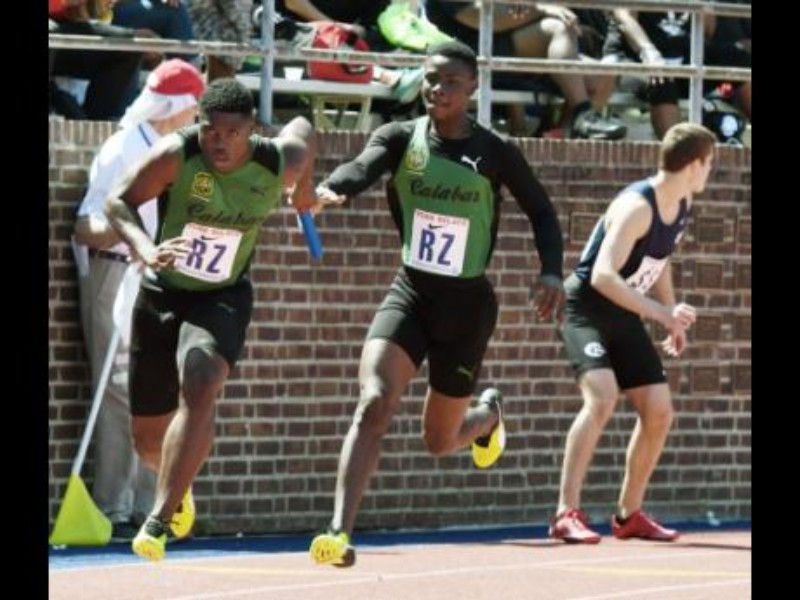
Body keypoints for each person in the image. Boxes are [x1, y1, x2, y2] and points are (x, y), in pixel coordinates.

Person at [308, 40, 566, 567]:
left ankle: (487, 415)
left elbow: (541, 211)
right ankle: (337, 532)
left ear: (473, 87)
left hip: (467, 308)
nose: (437, 89)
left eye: (450, 81)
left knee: (439, 440)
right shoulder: (401, 138)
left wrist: (551, 273)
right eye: (430, 78)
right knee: (375, 401)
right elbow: (365, 164)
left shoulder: (494, 151)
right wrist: (335, 188)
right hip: (411, 294)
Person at [104, 77, 318, 561]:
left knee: (202, 380)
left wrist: (302, 192)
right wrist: (147, 248)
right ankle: (178, 484)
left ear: (252, 130)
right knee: (147, 441)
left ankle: (159, 518)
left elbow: (305, 128)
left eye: (231, 132)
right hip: (163, 293)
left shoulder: (276, 160)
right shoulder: (176, 154)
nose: (219, 141)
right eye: (210, 129)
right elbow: (119, 200)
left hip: (223, 294)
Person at [550, 122, 715, 544]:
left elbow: (660, 260)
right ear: (694, 165)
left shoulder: (680, 205)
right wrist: (660, 313)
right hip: (585, 306)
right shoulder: (636, 206)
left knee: (659, 409)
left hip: (623, 313)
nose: (709, 172)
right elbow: (603, 276)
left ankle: (629, 513)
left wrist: (672, 314)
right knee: (602, 397)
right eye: (709, 164)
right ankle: (565, 511)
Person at [73, 58, 205, 541]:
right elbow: (86, 225)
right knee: (115, 389)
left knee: (154, 388)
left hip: (154, 277)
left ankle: (158, 506)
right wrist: (132, 242)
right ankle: (112, 504)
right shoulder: (125, 147)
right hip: (113, 274)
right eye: (196, 107)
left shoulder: (175, 148)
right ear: (179, 107)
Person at [424, 1, 625, 139]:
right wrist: (540, 8)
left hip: (533, 47)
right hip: (476, 50)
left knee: (603, 75)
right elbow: (483, 17)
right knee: (558, 28)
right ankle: (583, 115)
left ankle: (561, 138)